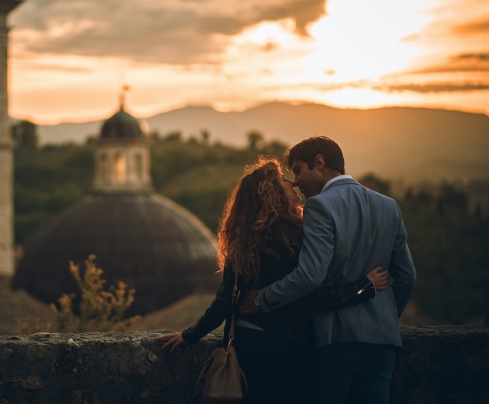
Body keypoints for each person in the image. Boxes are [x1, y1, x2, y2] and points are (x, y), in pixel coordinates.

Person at [154, 156, 389, 404]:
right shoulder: (300, 236)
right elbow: (316, 295)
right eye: (284, 180)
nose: (293, 184)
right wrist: (365, 287)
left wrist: (190, 335)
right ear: (272, 192)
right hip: (289, 347)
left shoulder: (243, 239)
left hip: (248, 344)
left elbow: (225, 299)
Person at [240, 136, 416, 404]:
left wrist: (262, 298)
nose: (296, 181)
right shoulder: (389, 206)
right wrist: (385, 318)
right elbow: (407, 278)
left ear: (319, 163)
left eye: (298, 170)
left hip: (337, 340)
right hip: (384, 341)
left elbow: (310, 276)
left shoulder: (320, 205)